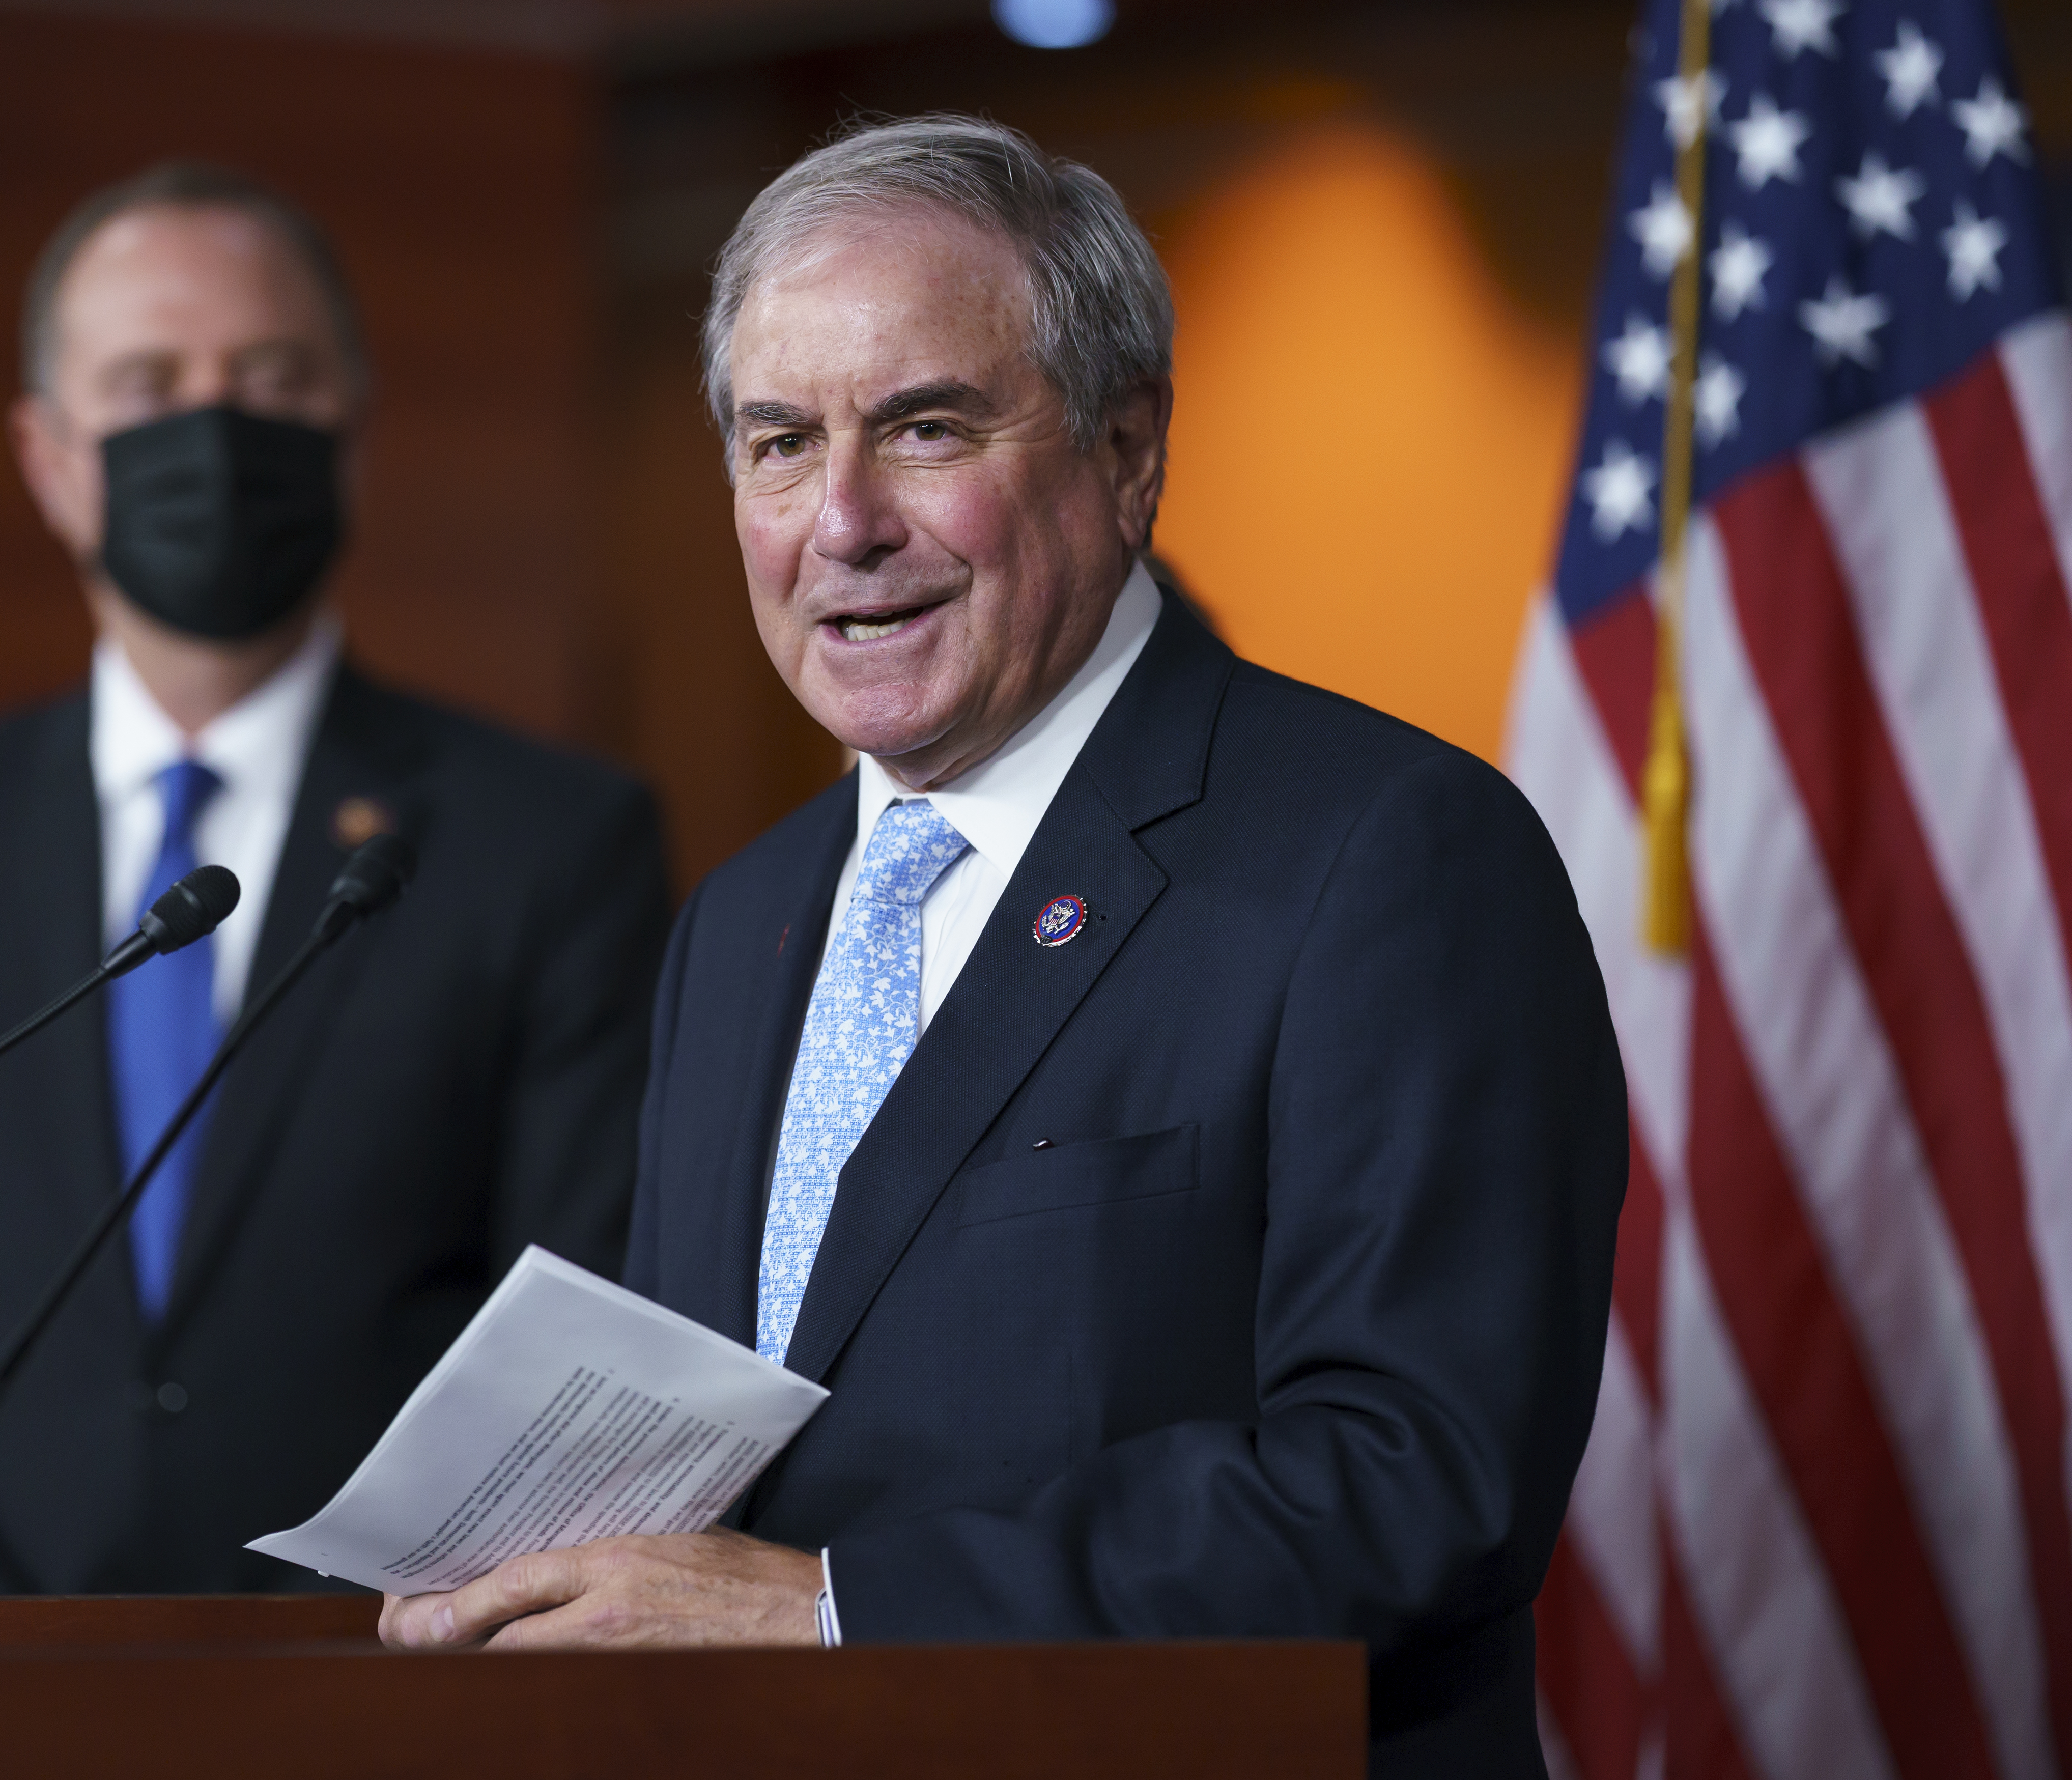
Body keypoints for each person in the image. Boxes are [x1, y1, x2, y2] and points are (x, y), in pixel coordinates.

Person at [376, 116, 1624, 1776]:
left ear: (1128, 451)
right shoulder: (742, 916)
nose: (842, 521)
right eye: (779, 443)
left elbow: (1417, 1477)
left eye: (925, 427)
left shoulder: (1391, 854)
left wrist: (838, 1609)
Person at [0, 163, 671, 1596]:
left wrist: (330, 1663)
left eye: (271, 380)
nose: (212, 432)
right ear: (48, 457)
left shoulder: (556, 843)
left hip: (372, 1675)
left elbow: (579, 1334)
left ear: (352, 433)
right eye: (147, 385)